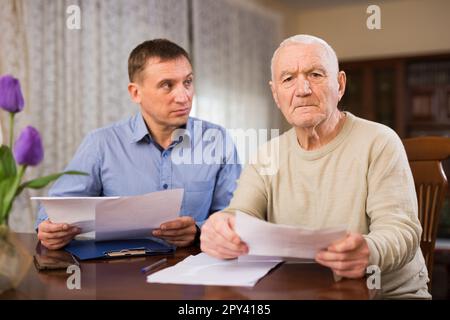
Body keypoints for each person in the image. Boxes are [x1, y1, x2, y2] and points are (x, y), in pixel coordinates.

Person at [200, 34, 430, 299]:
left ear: (340, 84)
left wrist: (369, 251)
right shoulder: (267, 154)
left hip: (385, 294)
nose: (303, 89)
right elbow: (239, 212)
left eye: (316, 75)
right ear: (276, 94)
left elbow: (401, 230)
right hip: (299, 291)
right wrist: (220, 228)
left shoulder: (380, 141)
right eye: (288, 79)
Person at [37, 39, 241, 250]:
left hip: (194, 270)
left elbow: (234, 213)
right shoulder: (101, 144)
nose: (184, 96)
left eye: (187, 82)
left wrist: (198, 230)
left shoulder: (217, 140)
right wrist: (49, 228)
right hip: (120, 272)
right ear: (136, 93)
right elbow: (54, 211)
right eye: (167, 85)